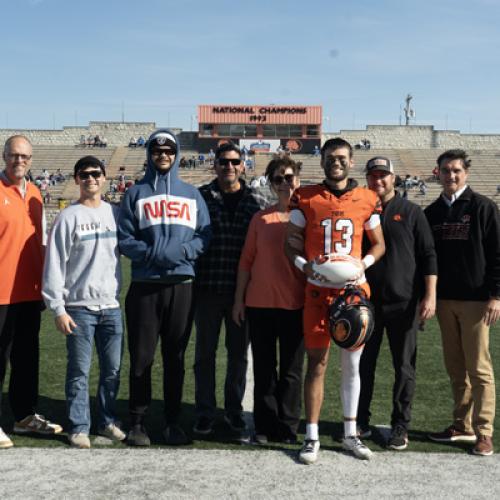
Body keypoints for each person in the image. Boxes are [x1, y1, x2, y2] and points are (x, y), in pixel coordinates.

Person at [285, 137, 385, 464]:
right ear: (323, 160)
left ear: (351, 161)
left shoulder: (368, 198)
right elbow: (291, 244)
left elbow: (378, 245)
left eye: (341, 157)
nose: (336, 162)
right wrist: (305, 266)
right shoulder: (306, 197)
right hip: (317, 291)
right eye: (330, 157)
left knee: (352, 365)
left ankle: (350, 434)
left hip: (353, 292)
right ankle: (312, 436)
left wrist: (364, 265)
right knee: (316, 364)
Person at [118, 129, 211, 447]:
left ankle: (173, 422)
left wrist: (183, 252)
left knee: (176, 358)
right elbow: (125, 239)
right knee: (141, 358)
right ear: (149, 154)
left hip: (182, 286)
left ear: (177, 153)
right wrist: (154, 254)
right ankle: (138, 422)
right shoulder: (135, 194)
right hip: (145, 286)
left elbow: (203, 236)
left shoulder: (192, 194)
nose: (163, 156)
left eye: (169, 151)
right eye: (157, 151)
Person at [42, 156, 125, 449]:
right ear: (77, 179)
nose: (91, 179)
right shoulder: (68, 217)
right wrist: (58, 308)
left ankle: (106, 421)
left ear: (104, 178)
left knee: (112, 370)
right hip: (78, 307)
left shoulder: (115, 214)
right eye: (85, 174)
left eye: (95, 173)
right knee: (79, 370)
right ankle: (79, 425)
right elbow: (54, 263)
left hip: (111, 307)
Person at [357, 156, 437, 450]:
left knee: (404, 367)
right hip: (367, 303)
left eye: (383, 175)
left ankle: (400, 426)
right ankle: (359, 422)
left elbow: (429, 254)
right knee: (363, 365)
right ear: (367, 178)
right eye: (373, 175)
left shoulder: (412, 211)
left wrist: (430, 295)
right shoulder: (361, 209)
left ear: (394, 179)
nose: (378, 180)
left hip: (404, 303)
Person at [425, 149, 500, 456]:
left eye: (456, 170)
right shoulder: (431, 213)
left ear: (466, 173)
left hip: (476, 301)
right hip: (444, 301)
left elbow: (498, 253)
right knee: (455, 367)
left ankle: (484, 431)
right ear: (437, 173)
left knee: (479, 367)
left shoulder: (483, 207)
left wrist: (496, 295)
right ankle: (461, 423)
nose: (451, 175)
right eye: (446, 170)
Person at [193, 142, 267, 436]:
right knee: (204, 355)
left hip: (242, 293)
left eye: (235, 162)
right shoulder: (200, 197)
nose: (229, 167)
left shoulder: (255, 200)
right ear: (215, 165)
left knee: (238, 355)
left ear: (243, 165)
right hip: (208, 288)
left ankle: (233, 410)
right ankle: (204, 411)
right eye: (224, 161)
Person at [232, 156, 305, 444]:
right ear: (271, 184)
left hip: (296, 304)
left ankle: (287, 427)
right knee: (264, 370)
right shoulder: (260, 219)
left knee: (291, 372)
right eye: (278, 179)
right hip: (260, 304)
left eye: (289, 177)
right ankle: (264, 426)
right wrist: (239, 300)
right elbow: (246, 262)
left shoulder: (309, 218)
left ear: (298, 180)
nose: (285, 183)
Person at [0, 135, 62, 449]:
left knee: (27, 359)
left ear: (31, 159)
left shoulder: (35, 193)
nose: (19, 161)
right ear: (4, 156)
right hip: (0, 293)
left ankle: (24, 417)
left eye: (24, 156)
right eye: (13, 155)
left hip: (29, 291)